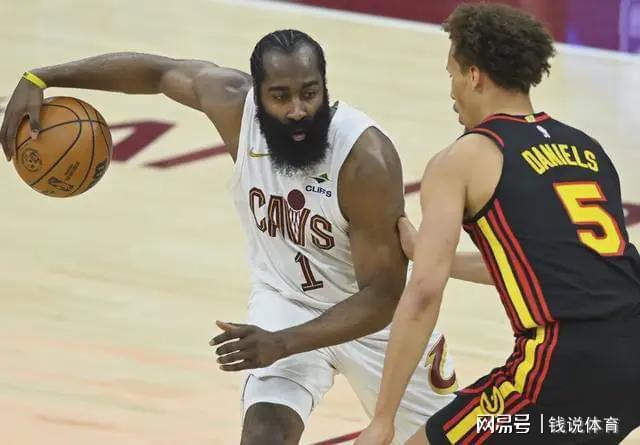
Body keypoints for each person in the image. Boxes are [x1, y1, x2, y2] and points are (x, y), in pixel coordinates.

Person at [0, 30, 479, 444]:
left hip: (375, 324)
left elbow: (383, 295)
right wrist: (43, 78)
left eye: (310, 93)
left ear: (325, 87)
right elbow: (157, 73)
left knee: (453, 436)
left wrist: (283, 343)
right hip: (286, 300)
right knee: (265, 434)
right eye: (280, 96)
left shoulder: (364, 159)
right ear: (257, 95)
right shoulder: (233, 107)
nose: (297, 110)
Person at [356, 4, 640, 445]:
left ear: (474, 75)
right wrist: (437, 256)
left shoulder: (463, 158)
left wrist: (382, 418)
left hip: (561, 362)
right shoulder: (588, 149)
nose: (451, 90)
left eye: (452, 74)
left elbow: (424, 292)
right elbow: (549, 265)